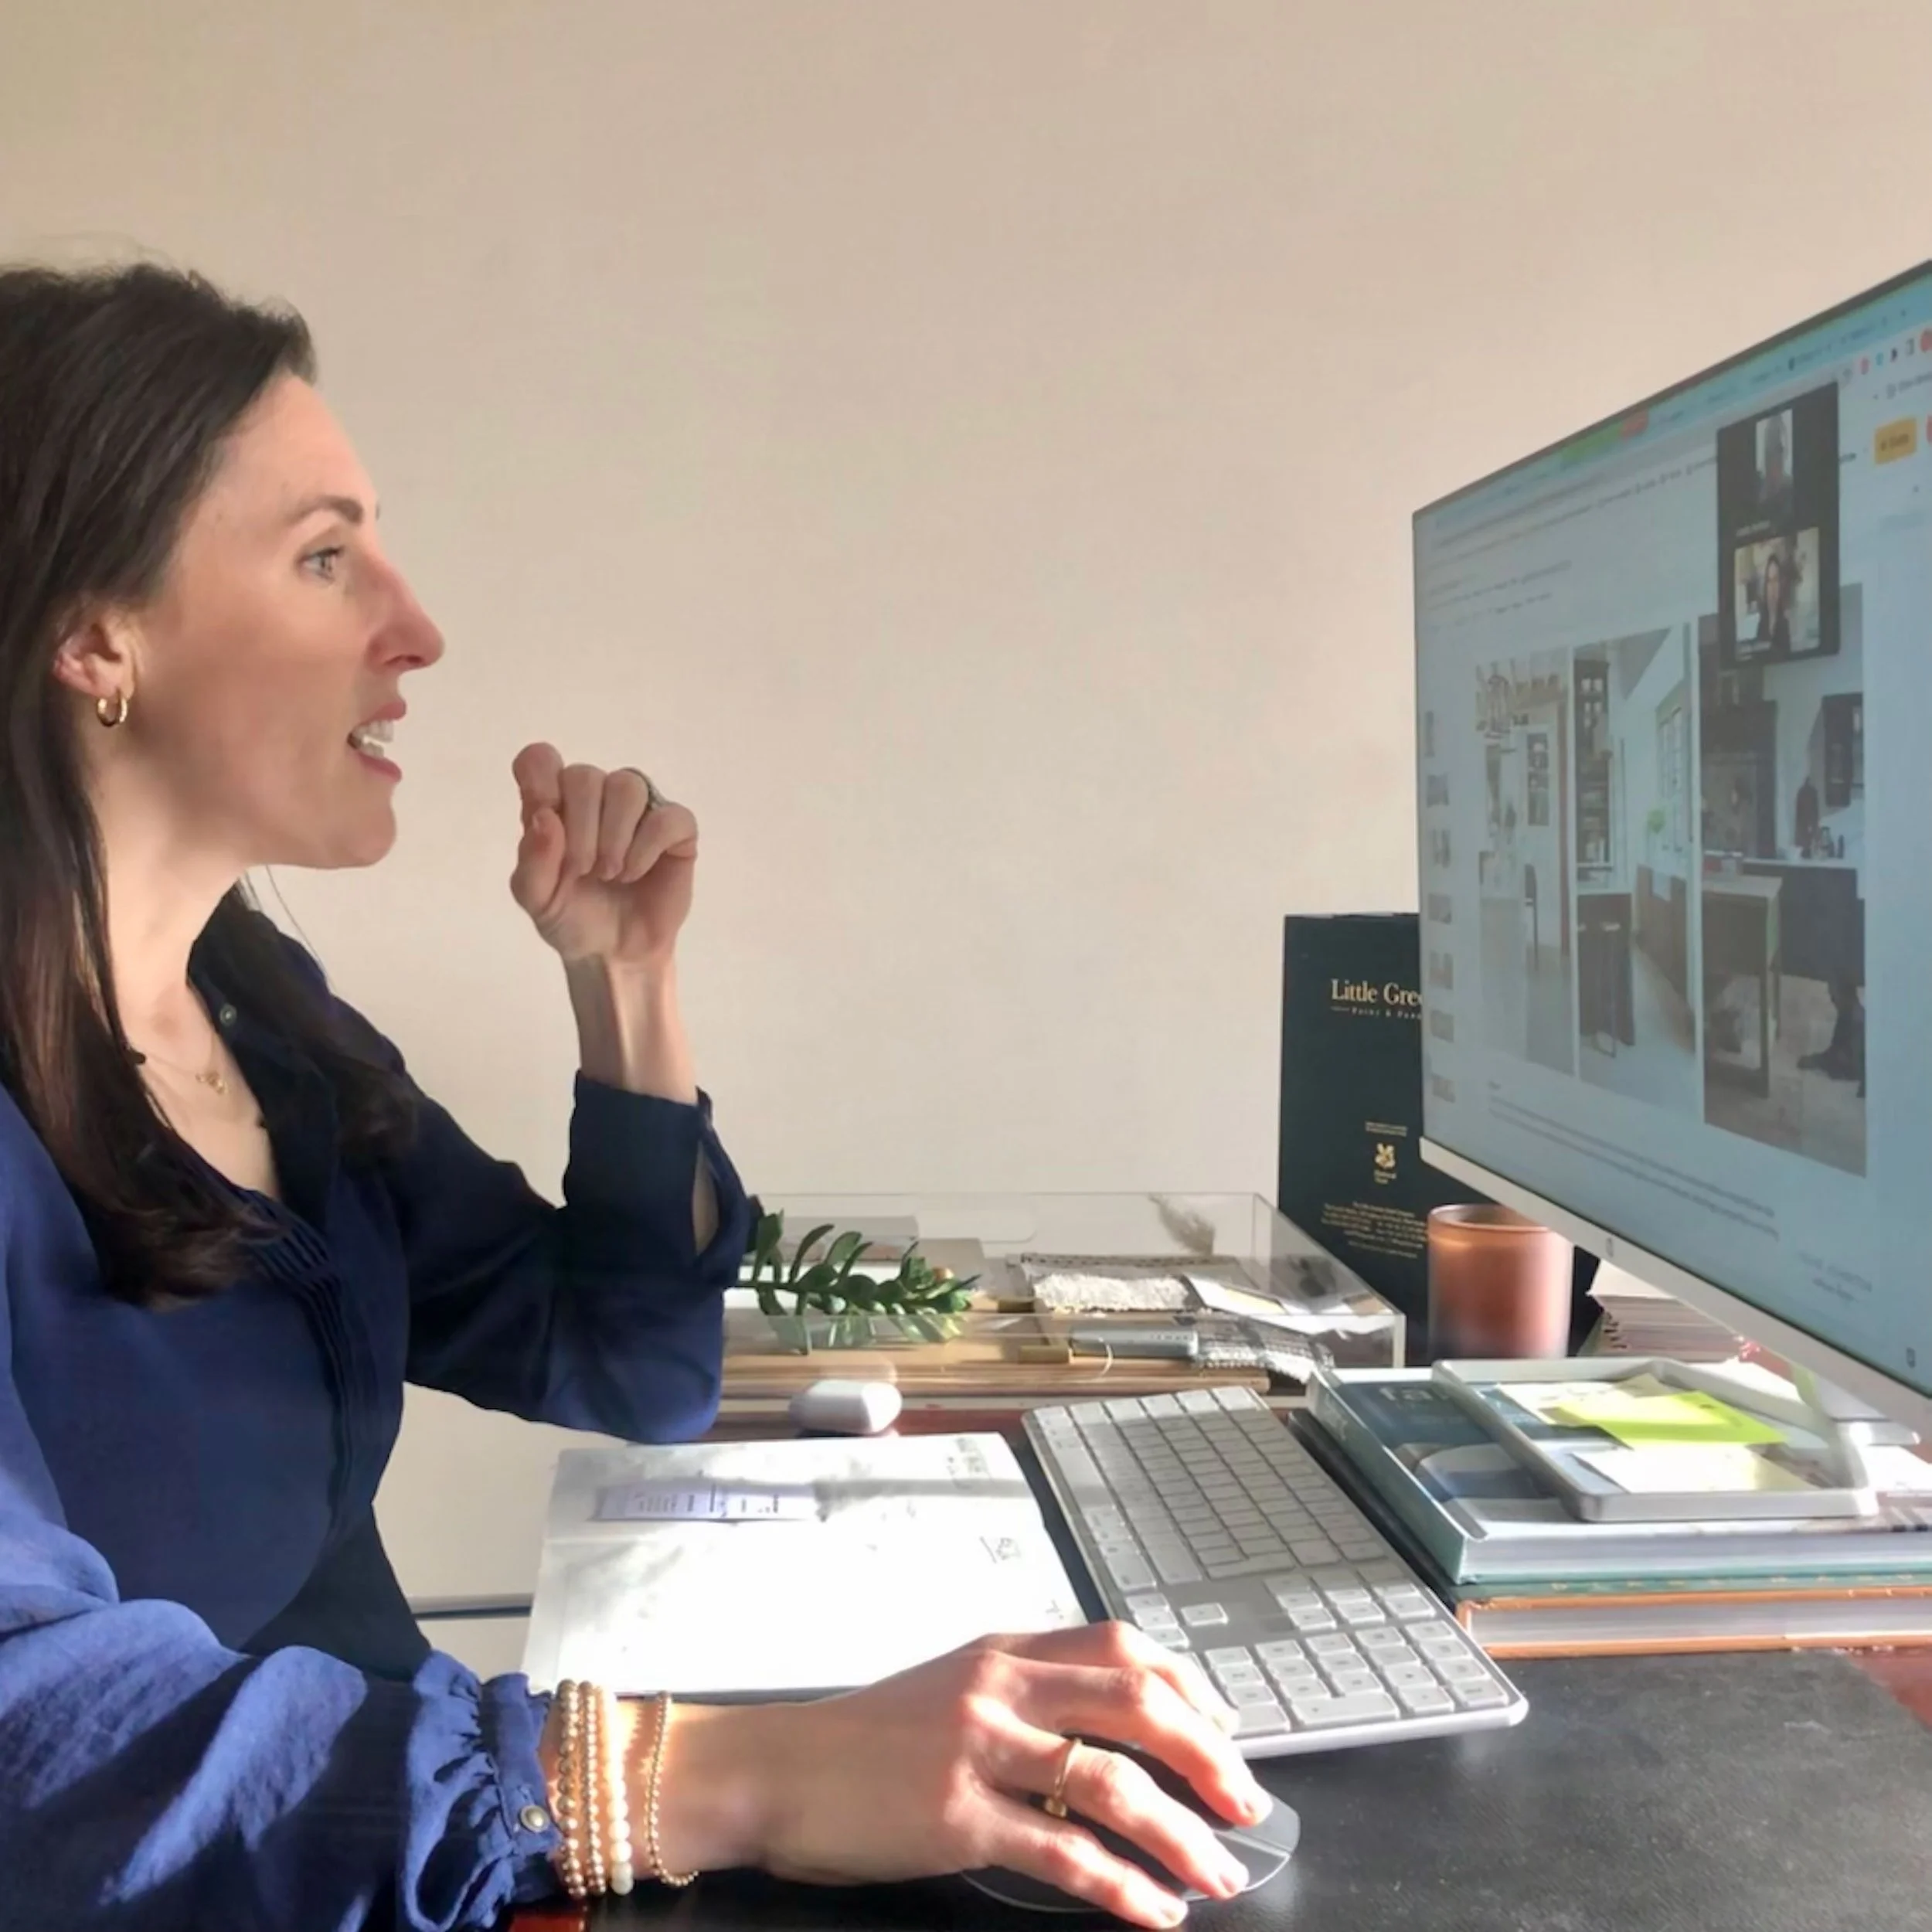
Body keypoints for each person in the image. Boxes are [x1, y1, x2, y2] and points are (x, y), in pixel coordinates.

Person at [0, 264, 1268, 1931]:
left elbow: (633, 1362)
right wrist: (727, 1774)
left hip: (408, 1854)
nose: (414, 629)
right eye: (323, 557)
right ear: (98, 634)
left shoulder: (262, 1018)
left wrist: (625, 979)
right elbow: (37, 1737)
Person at [1754, 547, 1792, 655]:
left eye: (1776, 580)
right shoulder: (1761, 625)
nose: (1773, 588)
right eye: (1769, 581)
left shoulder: (1784, 624)